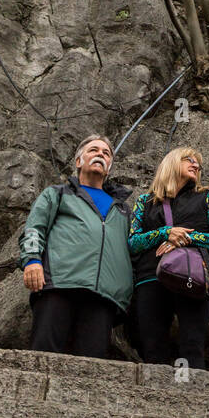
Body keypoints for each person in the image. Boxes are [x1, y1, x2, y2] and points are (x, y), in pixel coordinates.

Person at [19, 135, 133, 358]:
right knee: (43, 356)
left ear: (109, 168)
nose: (100, 154)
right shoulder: (58, 194)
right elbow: (34, 228)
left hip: (104, 296)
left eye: (106, 153)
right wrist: (32, 260)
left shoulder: (123, 210)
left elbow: (133, 251)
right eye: (93, 150)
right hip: (59, 285)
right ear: (79, 161)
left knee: (90, 369)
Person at [128, 146, 209, 369]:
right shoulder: (145, 202)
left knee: (192, 346)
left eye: (198, 163)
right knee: (153, 348)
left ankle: (195, 399)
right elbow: (133, 243)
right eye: (188, 159)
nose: (196, 165)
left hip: (194, 276)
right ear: (172, 162)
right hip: (150, 279)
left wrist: (182, 237)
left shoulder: (207, 197)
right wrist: (164, 233)